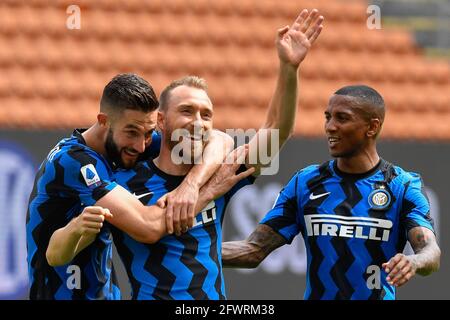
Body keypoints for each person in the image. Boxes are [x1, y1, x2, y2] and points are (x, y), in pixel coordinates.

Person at [108, 8, 324, 300]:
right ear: (161, 121)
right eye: (186, 111)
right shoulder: (124, 181)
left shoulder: (221, 171)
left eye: (206, 114)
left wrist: (289, 68)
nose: (198, 122)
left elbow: (275, 131)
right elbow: (147, 229)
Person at [221, 85, 441, 300]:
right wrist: (191, 249)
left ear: (372, 127)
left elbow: (430, 251)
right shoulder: (305, 183)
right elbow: (254, 250)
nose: (330, 127)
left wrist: (414, 261)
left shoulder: (402, 185)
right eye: (328, 117)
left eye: (342, 118)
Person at [27, 73, 233, 300]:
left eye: (148, 133)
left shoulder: (128, 141)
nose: (142, 146)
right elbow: (148, 227)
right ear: (104, 121)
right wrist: (208, 192)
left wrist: (191, 185)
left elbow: (220, 139)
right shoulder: (73, 161)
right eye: (132, 133)